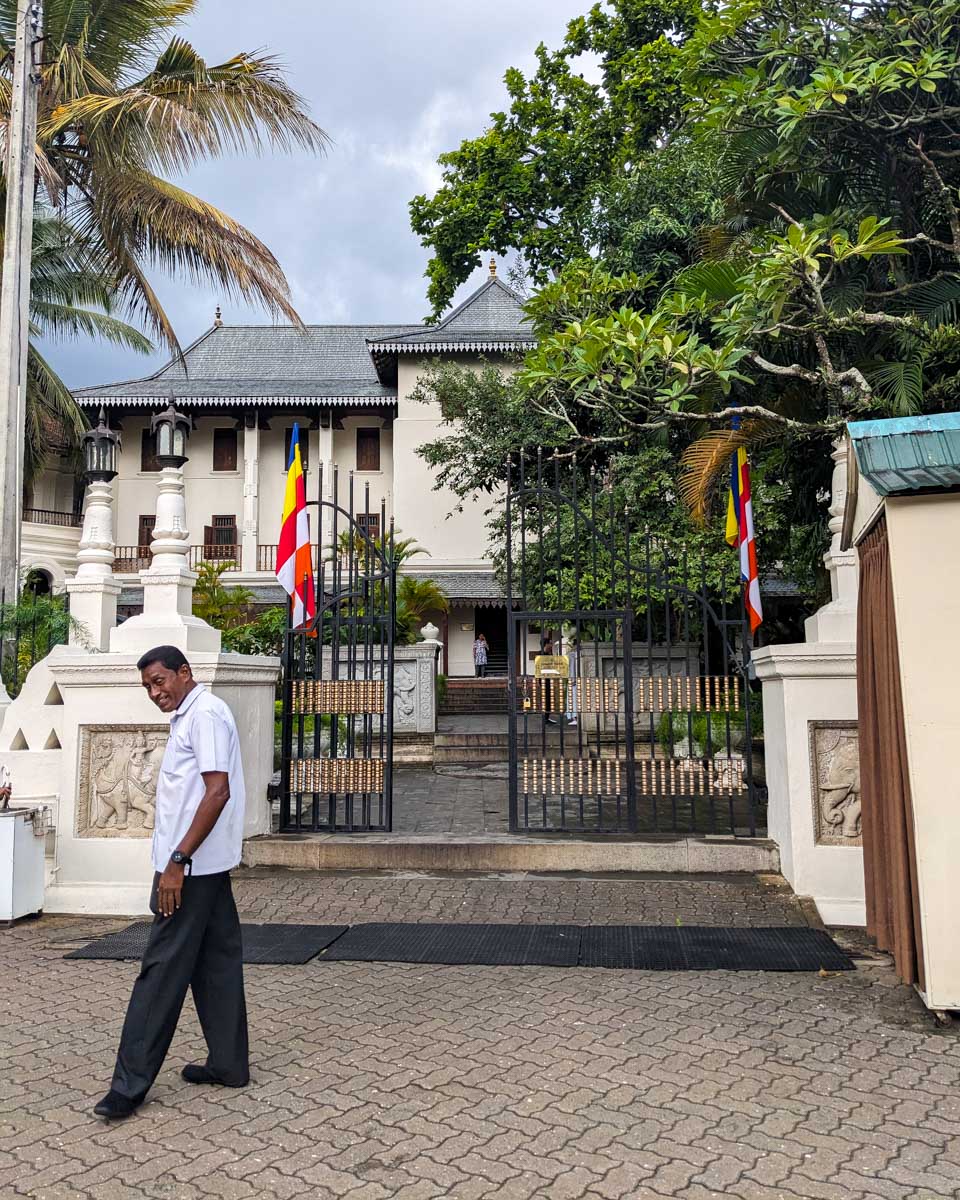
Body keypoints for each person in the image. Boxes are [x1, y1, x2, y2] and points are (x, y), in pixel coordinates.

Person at [94, 645, 249, 1120]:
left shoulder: (205, 715)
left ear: (185, 672)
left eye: (160, 682)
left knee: (159, 973)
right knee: (216, 963)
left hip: (189, 869)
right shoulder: (191, 713)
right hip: (205, 865)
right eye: (147, 688)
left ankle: (129, 1086)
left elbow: (216, 790)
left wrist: (177, 862)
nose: (154, 693)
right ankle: (228, 1064)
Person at [565, 636, 579, 728]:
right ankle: (575, 717)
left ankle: (575, 718)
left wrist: (572, 678)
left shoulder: (571, 654)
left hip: (573, 679)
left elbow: (571, 668)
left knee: (573, 699)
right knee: (575, 699)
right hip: (576, 679)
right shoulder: (576, 654)